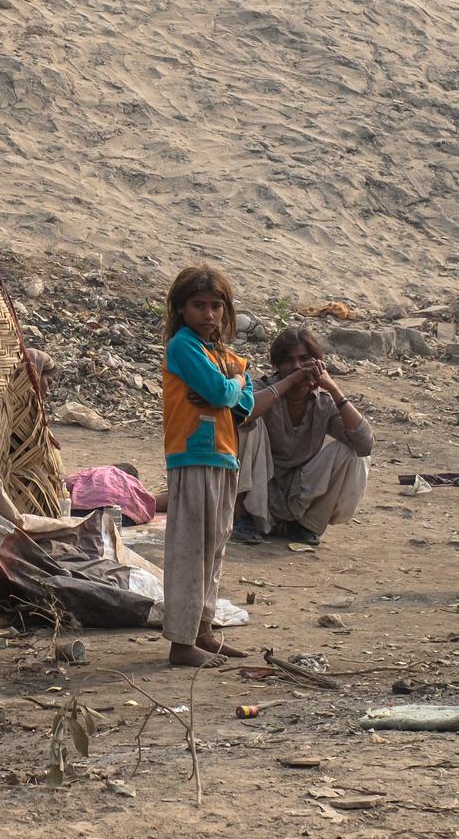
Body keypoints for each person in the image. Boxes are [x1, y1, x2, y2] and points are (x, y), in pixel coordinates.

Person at [158, 264, 292, 667]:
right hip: (193, 455)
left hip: (222, 455)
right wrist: (229, 388)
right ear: (181, 309)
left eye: (216, 306)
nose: (209, 315)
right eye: (199, 306)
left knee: (214, 548)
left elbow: (245, 403)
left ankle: (203, 631)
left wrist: (230, 391)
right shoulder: (183, 346)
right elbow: (225, 389)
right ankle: (181, 644)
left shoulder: (220, 353)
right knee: (190, 550)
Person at [234, 327, 374, 545]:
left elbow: (365, 444)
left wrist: (334, 389)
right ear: (278, 366)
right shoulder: (263, 388)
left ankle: (306, 525)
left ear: (318, 363)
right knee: (248, 424)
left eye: (304, 359)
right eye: (289, 361)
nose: (297, 366)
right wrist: (289, 381)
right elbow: (242, 414)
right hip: (258, 482)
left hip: (298, 488)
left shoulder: (323, 402)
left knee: (353, 451)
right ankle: (242, 517)